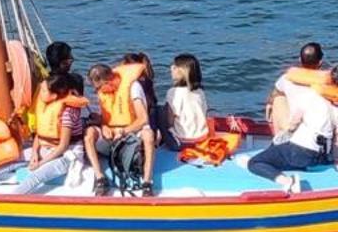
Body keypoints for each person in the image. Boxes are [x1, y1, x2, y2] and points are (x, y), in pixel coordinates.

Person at [246, 62, 338, 193]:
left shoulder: (311, 95)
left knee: (254, 163)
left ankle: (287, 181)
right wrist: (337, 160)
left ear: (328, 77)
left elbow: (294, 124)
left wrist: (284, 135)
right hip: (322, 156)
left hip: (300, 152)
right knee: (287, 153)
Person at [83, 59, 158, 196]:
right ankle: (100, 177)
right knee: (89, 134)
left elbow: (143, 119)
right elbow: (104, 116)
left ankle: (147, 182)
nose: (98, 91)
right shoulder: (103, 93)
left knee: (149, 135)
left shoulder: (133, 87)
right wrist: (103, 125)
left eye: (99, 88)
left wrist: (123, 131)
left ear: (108, 82)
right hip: (111, 134)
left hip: (132, 132)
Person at [17, 71, 90, 194]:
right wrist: (34, 152)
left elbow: (63, 146)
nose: (40, 94)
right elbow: (40, 135)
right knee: (14, 157)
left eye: (44, 91)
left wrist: (40, 163)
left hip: (66, 155)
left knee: (35, 176)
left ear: (54, 96)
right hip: (47, 149)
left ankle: (9, 201)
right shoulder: (47, 106)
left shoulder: (66, 113)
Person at [265, 41, 326, 140]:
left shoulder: (286, 79)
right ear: (320, 63)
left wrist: (269, 104)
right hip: (319, 134)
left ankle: (278, 141)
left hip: (294, 130)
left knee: (278, 99)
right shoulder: (329, 84)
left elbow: (275, 93)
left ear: (299, 60)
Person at [166, 53, 208, 149]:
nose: (171, 68)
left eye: (175, 66)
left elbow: (170, 121)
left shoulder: (173, 92)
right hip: (202, 137)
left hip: (183, 141)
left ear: (182, 72)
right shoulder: (200, 92)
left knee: (158, 112)